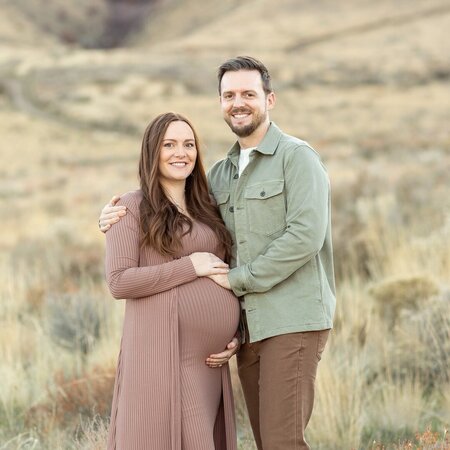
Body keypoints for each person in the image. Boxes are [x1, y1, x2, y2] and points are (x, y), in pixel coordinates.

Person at [100, 56, 336, 450]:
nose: (238, 102)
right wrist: (112, 216)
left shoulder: (297, 158)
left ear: (269, 99)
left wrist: (236, 283)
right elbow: (201, 240)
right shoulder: (220, 175)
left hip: (290, 319)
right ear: (220, 103)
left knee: (282, 442)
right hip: (249, 331)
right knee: (267, 440)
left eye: (248, 93)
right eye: (229, 95)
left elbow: (305, 236)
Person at [104, 112, 240, 450]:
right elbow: (119, 282)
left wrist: (236, 334)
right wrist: (190, 265)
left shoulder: (207, 206)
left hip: (210, 362)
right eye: (170, 144)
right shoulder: (132, 206)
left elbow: (227, 273)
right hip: (165, 355)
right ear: (153, 151)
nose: (181, 153)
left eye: (188, 144)